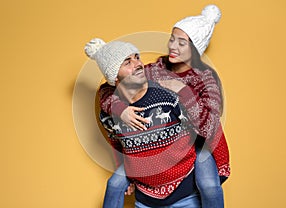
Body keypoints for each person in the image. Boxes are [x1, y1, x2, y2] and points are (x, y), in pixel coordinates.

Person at [98, 4, 230, 208]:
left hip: (198, 143)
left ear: (196, 48)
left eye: (182, 43)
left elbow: (210, 127)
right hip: (155, 146)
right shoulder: (155, 70)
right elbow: (109, 89)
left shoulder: (206, 80)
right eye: (172, 39)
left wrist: (183, 93)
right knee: (115, 182)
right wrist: (120, 110)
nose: (172, 47)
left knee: (209, 186)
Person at [85, 38, 206, 207]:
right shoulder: (109, 113)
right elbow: (118, 147)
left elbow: (207, 126)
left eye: (137, 57)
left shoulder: (168, 95)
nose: (137, 63)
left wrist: (218, 170)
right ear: (114, 76)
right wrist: (127, 177)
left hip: (186, 197)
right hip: (146, 201)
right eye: (128, 62)